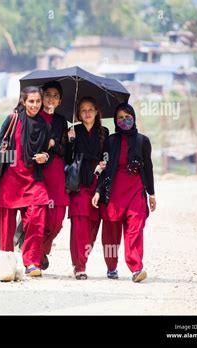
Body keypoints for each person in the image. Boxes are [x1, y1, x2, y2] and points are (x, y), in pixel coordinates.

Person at [0, 86, 50, 277]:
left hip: (33, 179)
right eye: (31, 101)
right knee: (7, 224)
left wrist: (45, 155)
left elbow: (47, 150)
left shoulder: (44, 125)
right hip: (11, 178)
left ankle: (31, 262)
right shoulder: (13, 119)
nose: (35, 105)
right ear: (23, 101)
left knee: (37, 217)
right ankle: (6, 260)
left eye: (38, 101)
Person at [92, 102, 156, 282]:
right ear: (115, 120)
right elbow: (104, 168)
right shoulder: (110, 141)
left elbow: (148, 168)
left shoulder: (143, 141)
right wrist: (98, 190)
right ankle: (111, 266)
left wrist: (151, 194)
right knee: (111, 232)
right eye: (120, 118)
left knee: (135, 227)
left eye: (127, 117)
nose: (124, 120)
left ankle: (136, 267)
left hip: (135, 189)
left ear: (134, 118)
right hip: (113, 191)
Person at [66, 97, 109, 280]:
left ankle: (83, 257)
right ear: (78, 114)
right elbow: (67, 157)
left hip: (97, 181)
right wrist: (70, 142)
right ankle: (79, 265)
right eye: (83, 110)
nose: (87, 113)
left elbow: (108, 156)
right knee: (79, 224)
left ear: (97, 111)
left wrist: (104, 162)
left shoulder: (105, 132)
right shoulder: (73, 130)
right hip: (78, 182)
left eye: (91, 109)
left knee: (93, 224)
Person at [38, 81, 69, 270]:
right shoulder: (34, 116)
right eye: (48, 94)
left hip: (57, 171)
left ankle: (41, 249)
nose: (51, 98)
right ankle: (37, 254)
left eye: (55, 96)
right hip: (38, 172)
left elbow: (64, 149)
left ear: (60, 101)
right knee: (39, 215)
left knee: (57, 219)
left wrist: (54, 144)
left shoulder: (61, 121)